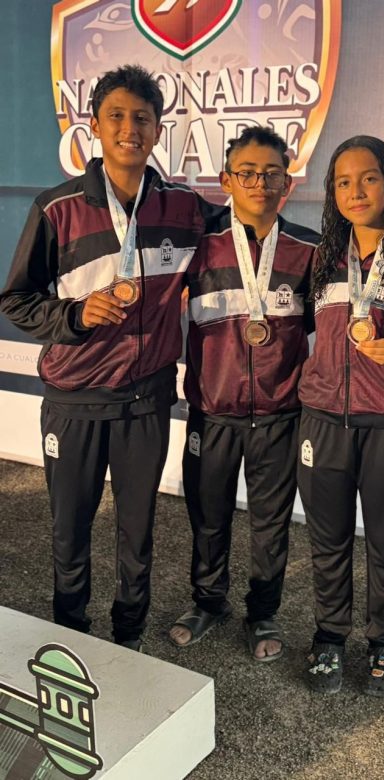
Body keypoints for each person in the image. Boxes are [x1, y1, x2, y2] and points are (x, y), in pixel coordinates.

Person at [0, 64, 214, 651]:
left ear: (158, 129)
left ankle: (128, 635)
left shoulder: (185, 209)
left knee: (136, 533)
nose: (129, 129)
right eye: (115, 116)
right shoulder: (57, 208)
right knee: (69, 531)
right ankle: (72, 632)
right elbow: (16, 300)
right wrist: (73, 315)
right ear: (93, 125)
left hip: (146, 400)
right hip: (74, 400)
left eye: (142, 118)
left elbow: (240, 240)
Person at [169, 126, 319, 661]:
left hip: (280, 415)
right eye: (248, 173)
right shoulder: (198, 247)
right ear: (226, 180)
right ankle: (208, 602)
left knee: (270, 523)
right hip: (212, 413)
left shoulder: (308, 250)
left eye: (272, 173)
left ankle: (263, 611)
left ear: (289, 183)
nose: (260, 183)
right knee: (208, 515)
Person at [297, 135, 384, 694]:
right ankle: (330, 636)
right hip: (323, 419)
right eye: (343, 182)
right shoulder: (322, 258)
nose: (356, 191)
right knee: (328, 541)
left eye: (369, 178)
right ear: (332, 192)